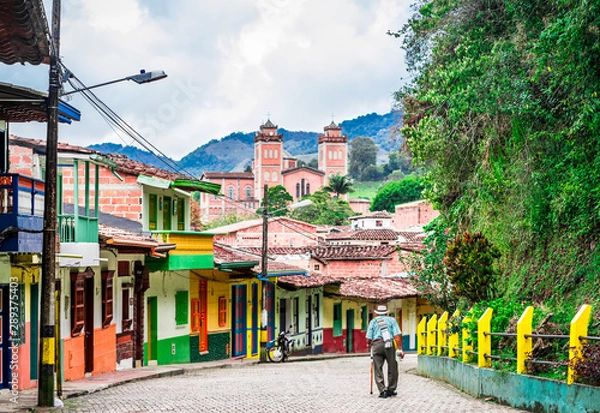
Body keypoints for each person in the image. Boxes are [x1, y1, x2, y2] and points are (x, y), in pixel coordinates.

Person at [366, 304, 404, 399]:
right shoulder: (392, 320)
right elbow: (397, 336)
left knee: (378, 368)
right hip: (389, 344)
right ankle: (391, 389)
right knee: (392, 366)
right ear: (386, 312)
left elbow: (369, 338)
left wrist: (369, 345)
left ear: (377, 313)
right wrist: (399, 349)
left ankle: (382, 391)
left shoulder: (373, 321)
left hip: (376, 345)